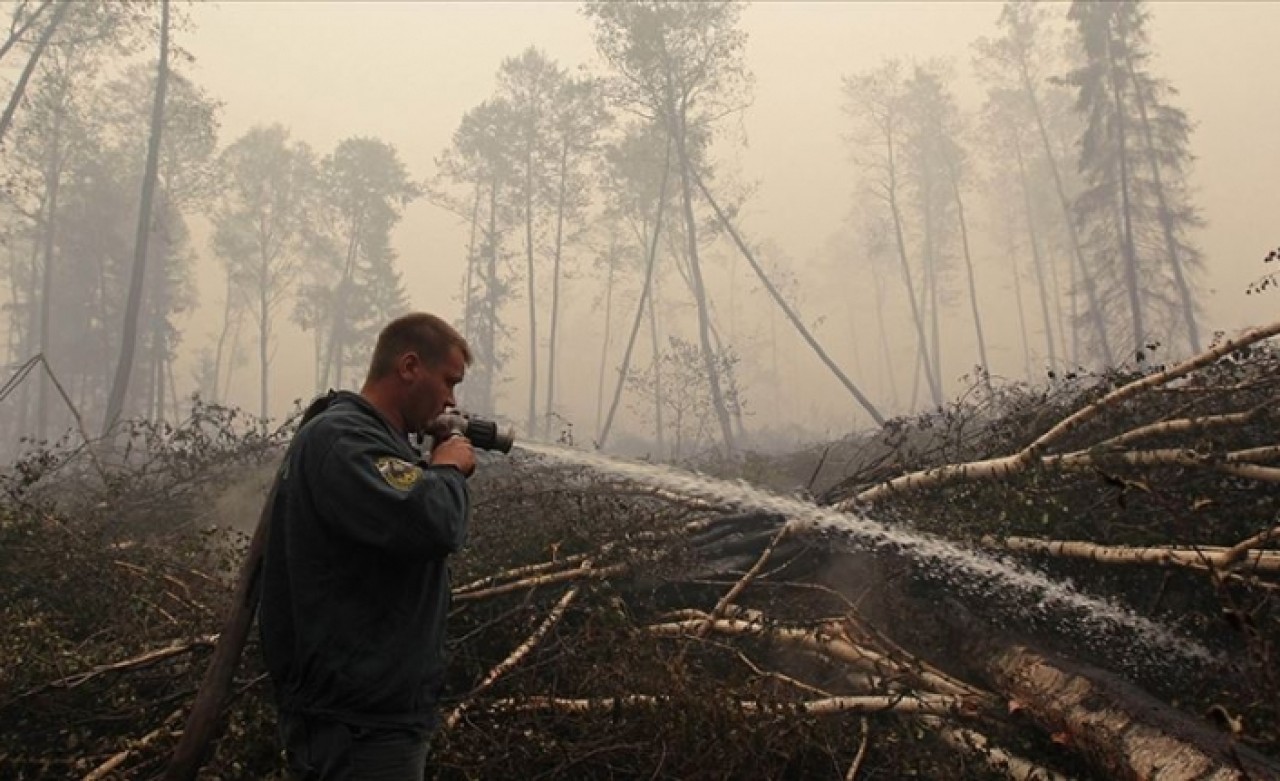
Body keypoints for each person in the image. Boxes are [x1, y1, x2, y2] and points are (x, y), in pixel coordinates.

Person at [259, 313, 477, 781]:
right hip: (356, 727)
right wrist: (447, 469)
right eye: (449, 382)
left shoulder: (375, 443)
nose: (452, 401)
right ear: (409, 366)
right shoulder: (344, 440)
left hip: (376, 720)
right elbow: (431, 522)